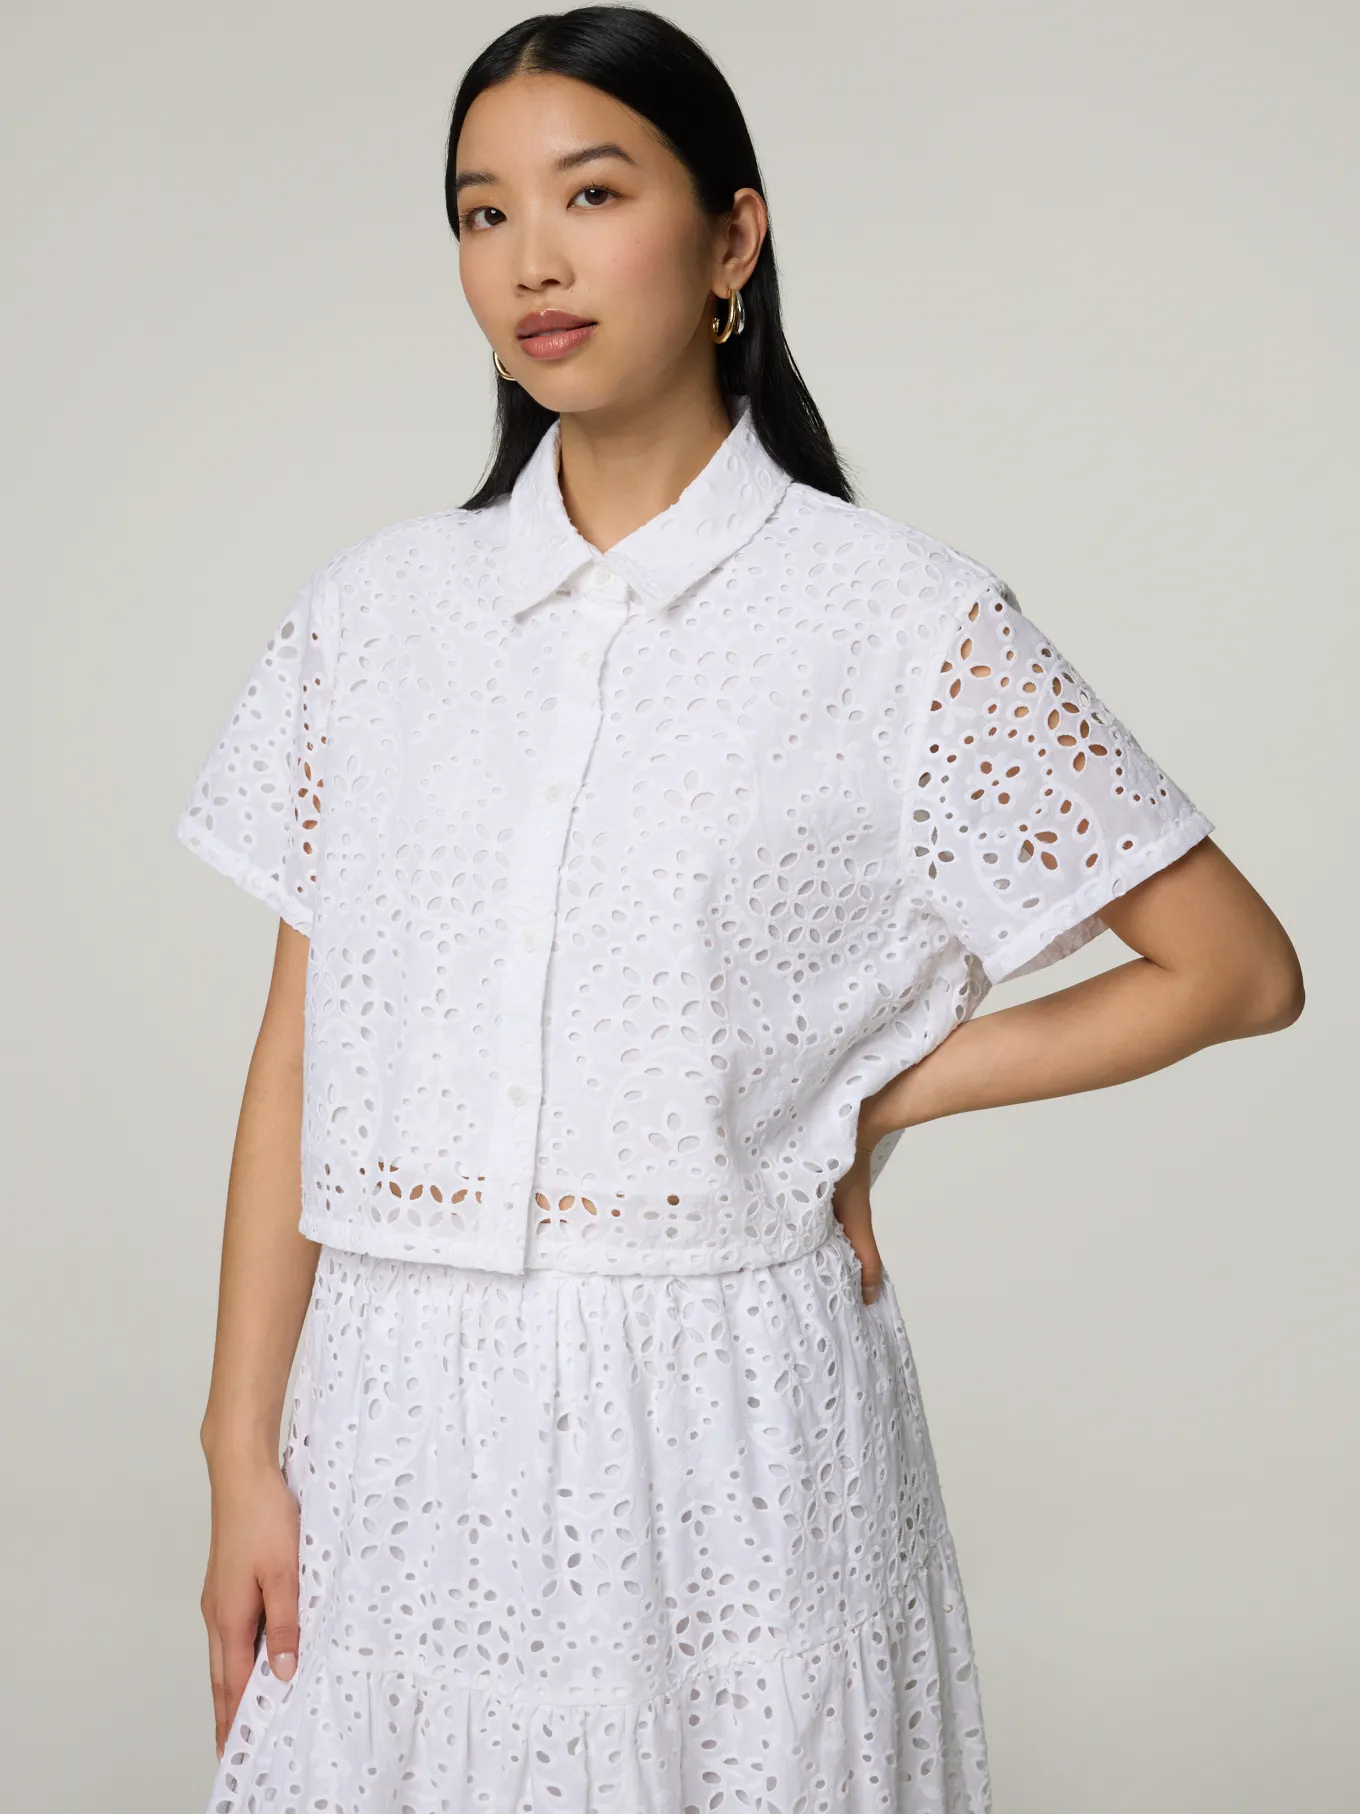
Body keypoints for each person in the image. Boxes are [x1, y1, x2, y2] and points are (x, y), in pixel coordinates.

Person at [173, 9, 1304, 1811]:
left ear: (731, 240)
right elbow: (298, 1051)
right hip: (386, 1429)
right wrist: (241, 1448)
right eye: (481, 213)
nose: (530, 261)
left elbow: (1234, 969)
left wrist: (874, 1090)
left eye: (592, 194)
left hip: (723, 1436)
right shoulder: (370, 622)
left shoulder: (898, 623)